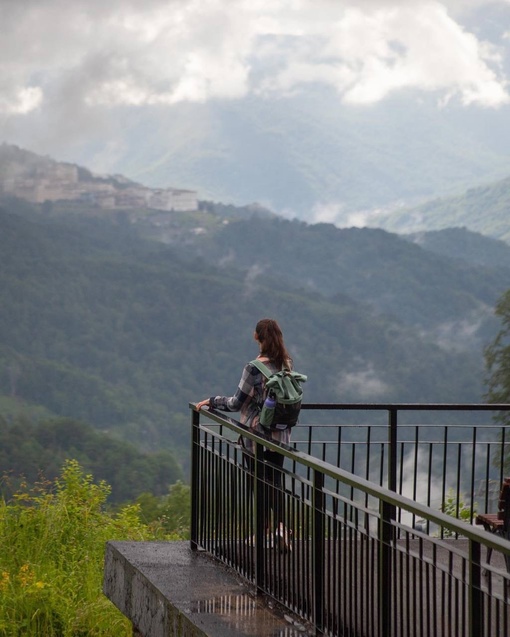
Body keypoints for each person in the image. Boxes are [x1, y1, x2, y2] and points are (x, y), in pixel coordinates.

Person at [196, 318, 293, 551]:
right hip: (281, 436)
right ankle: (281, 528)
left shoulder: (253, 367)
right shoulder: (286, 364)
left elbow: (236, 402)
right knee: (275, 482)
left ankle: (263, 532)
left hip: (256, 435)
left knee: (257, 483)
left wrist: (211, 401)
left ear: (256, 337)